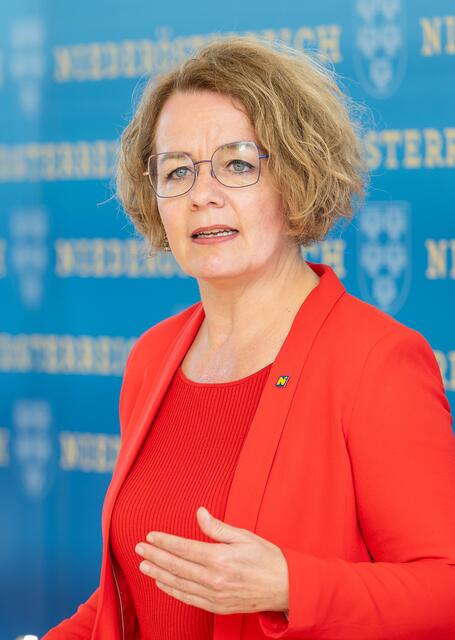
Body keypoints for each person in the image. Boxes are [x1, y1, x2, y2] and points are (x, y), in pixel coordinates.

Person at [43, 37, 455, 640]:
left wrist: (291, 586)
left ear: (298, 174)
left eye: (237, 165)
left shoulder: (374, 360)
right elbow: (133, 600)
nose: (202, 195)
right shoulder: (154, 356)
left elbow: (445, 589)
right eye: (177, 171)